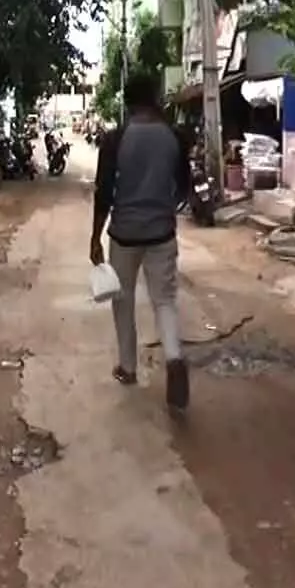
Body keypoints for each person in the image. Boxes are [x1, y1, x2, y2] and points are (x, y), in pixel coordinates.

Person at [90, 72, 191, 412]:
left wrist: (94, 237)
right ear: (155, 98)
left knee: (123, 300)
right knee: (165, 300)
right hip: (162, 232)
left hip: (124, 234)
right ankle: (174, 357)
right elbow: (183, 189)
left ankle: (128, 367)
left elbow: (104, 193)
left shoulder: (116, 139)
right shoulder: (174, 137)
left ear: (128, 102)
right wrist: (164, 206)